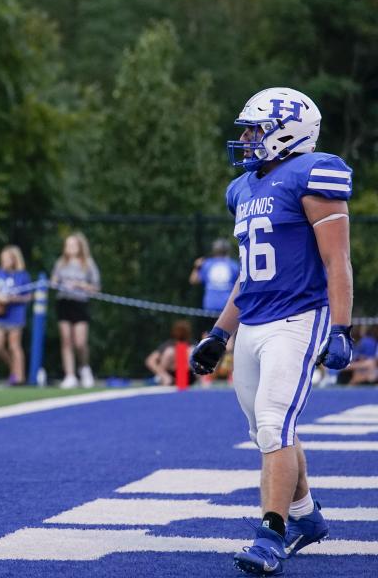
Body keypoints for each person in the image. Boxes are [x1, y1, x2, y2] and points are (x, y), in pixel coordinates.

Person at [191, 87, 354, 575]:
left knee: (272, 422)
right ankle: (305, 516)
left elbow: (336, 260)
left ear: (288, 130)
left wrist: (341, 326)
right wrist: (219, 334)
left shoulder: (313, 172)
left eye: (254, 128)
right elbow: (249, 273)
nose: (245, 138)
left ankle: (271, 535)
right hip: (254, 322)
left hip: (299, 316)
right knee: (270, 429)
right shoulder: (243, 189)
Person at [50, 232, 101, 389]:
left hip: (80, 304)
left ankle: (85, 369)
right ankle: (70, 375)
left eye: (73, 245)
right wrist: (57, 282)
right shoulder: (60, 263)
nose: (70, 248)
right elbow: (54, 281)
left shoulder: (88, 263)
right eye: (68, 245)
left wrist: (80, 285)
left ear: (80, 246)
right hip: (64, 302)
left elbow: (96, 287)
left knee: (80, 342)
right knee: (66, 340)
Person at [0, 246, 32, 385]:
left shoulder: (22, 275)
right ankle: (13, 369)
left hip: (15, 314)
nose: (4, 261)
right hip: (1, 314)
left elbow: (28, 297)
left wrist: (14, 298)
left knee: (14, 346)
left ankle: (19, 376)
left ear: (14, 259)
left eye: (7, 258)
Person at [144, 320, 193, 386]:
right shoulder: (168, 345)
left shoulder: (191, 345)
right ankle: (163, 378)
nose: (181, 333)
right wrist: (163, 375)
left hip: (188, 375)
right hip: (169, 375)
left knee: (193, 351)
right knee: (170, 352)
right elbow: (150, 360)